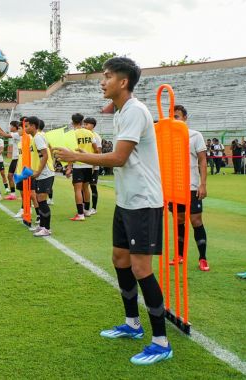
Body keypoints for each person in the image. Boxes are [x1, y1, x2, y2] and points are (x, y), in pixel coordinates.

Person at [54, 57, 172, 365]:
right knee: (119, 259)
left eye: (107, 76)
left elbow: (118, 158)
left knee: (141, 268)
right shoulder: (121, 112)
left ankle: (161, 341)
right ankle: (132, 323)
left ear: (123, 82)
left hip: (144, 201)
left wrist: (76, 155)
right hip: (127, 199)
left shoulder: (134, 111)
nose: (102, 81)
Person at [169, 105, 209, 271]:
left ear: (185, 118)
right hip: (174, 187)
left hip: (192, 187)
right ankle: (179, 255)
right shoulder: (168, 137)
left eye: (177, 116)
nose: (174, 120)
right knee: (178, 220)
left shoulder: (195, 135)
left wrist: (203, 184)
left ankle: (202, 258)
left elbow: (202, 161)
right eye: (172, 116)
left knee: (196, 221)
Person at [25, 116, 55, 237]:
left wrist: (38, 172)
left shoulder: (38, 137)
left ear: (33, 126)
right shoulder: (36, 138)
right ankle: (42, 226)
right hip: (40, 174)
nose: (25, 128)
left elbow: (45, 155)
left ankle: (46, 228)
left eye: (27, 126)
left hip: (45, 173)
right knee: (39, 199)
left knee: (42, 200)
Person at [67, 113, 98, 221]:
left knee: (78, 190)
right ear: (82, 121)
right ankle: (87, 210)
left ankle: (80, 214)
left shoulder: (72, 134)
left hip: (78, 165)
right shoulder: (90, 133)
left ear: (72, 122)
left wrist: (69, 167)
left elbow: (71, 152)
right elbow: (96, 149)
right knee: (86, 188)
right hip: (88, 164)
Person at [0, 121, 21, 200]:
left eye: (11, 126)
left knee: (19, 177)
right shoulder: (15, 134)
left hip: (18, 158)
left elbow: (4, 135)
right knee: (10, 176)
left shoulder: (18, 134)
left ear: (16, 127)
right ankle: (13, 194)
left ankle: (25, 194)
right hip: (14, 158)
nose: (10, 127)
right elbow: (5, 133)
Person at [84, 117, 102, 215]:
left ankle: (94, 208)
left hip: (94, 166)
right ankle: (85, 206)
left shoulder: (96, 136)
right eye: (84, 124)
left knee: (93, 186)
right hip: (85, 165)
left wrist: (94, 166)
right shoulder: (85, 135)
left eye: (87, 124)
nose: (85, 126)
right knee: (84, 186)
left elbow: (98, 151)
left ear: (93, 126)